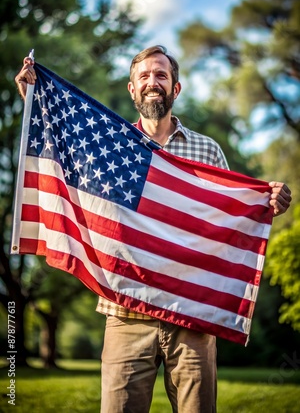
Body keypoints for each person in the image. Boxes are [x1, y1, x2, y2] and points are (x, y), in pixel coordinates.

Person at [15, 45, 292, 413]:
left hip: (192, 318)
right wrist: (37, 98)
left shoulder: (207, 150)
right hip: (125, 314)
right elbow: (63, 150)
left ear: (175, 88)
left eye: (161, 75)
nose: (152, 82)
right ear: (132, 90)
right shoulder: (108, 148)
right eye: (144, 76)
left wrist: (268, 202)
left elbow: (231, 221)